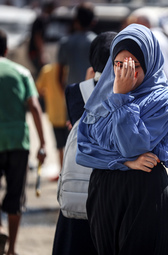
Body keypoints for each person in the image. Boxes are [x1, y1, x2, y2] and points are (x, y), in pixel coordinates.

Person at [76, 24, 168, 255]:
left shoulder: (163, 101)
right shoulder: (102, 96)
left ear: (149, 63)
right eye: (118, 66)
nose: (125, 75)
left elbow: (132, 145)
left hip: (143, 194)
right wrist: (125, 162)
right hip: (104, 192)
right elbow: (85, 149)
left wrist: (121, 98)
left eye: (134, 66)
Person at [52, 31, 117, 255]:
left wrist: (91, 77)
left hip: (79, 190)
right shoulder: (129, 92)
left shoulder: (75, 91)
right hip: (112, 190)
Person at [0, 29, 46, 255]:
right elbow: (35, 108)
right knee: (15, 196)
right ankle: (12, 250)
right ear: (6, 49)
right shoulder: (21, 72)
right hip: (19, 141)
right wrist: (43, 144)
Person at [35, 63, 68, 181]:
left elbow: (38, 89)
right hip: (69, 114)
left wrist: (49, 94)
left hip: (55, 114)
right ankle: (70, 173)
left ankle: (62, 173)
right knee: (72, 145)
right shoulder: (68, 68)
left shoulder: (47, 70)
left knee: (60, 146)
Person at [57, 2, 96, 89]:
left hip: (73, 91)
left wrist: (66, 94)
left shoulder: (65, 42)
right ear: (93, 21)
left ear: (75, 20)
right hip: (91, 91)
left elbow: (59, 75)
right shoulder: (96, 43)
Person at [28, 0, 56, 78]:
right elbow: (38, 37)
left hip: (35, 51)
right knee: (42, 73)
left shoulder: (42, 19)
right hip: (35, 52)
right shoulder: (42, 19)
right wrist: (41, 54)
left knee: (41, 73)